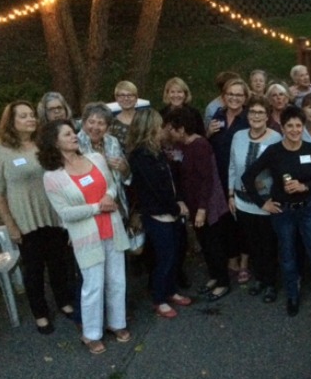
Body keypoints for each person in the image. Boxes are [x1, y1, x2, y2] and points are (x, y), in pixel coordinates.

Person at [38, 120, 130, 354]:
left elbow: (111, 186)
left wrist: (109, 196)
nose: (74, 136)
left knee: (117, 280)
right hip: (87, 236)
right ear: (54, 141)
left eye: (73, 132)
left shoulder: (95, 159)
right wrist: (97, 208)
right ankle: (91, 333)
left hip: (113, 228)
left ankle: (117, 322)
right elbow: (65, 212)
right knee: (93, 285)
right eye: (67, 134)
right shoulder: (52, 177)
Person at [0, 101, 75, 334]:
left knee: (58, 263)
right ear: (11, 122)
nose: (30, 119)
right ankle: (41, 313)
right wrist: (10, 225)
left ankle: (64, 301)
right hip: (25, 220)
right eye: (23, 116)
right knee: (34, 269)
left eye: (32, 115)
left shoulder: (43, 144)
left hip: (53, 214)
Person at [241, 106, 311, 317]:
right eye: (289, 125)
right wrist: (262, 203)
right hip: (283, 213)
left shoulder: (310, 149)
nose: (294, 130)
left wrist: (304, 187)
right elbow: (248, 177)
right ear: (282, 127)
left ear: (303, 127)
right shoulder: (274, 152)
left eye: (298, 125)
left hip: (308, 209)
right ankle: (292, 295)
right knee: (288, 256)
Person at [127, 109, 192, 318]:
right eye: (159, 125)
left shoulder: (158, 150)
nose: (163, 129)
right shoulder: (140, 156)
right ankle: (159, 299)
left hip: (171, 211)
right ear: (149, 128)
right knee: (164, 258)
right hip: (157, 214)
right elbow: (155, 188)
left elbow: (171, 181)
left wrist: (179, 200)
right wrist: (175, 207)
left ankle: (171, 290)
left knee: (174, 255)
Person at [164, 107, 232, 302]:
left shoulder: (200, 145)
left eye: (171, 128)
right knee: (205, 243)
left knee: (214, 243)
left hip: (208, 204)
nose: (169, 132)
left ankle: (223, 282)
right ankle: (214, 275)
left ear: (182, 129)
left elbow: (206, 180)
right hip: (193, 203)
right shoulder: (181, 146)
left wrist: (202, 210)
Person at [228, 96, 282, 303]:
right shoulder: (238, 136)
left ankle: (270, 283)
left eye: (260, 112)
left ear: (267, 116)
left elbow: (278, 171)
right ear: (247, 114)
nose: (256, 116)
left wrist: (265, 184)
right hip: (242, 202)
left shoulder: (275, 138)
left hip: (265, 202)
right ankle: (259, 279)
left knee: (268, 245)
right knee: (253, 244)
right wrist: (230, 193)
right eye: (252, 112)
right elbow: (232, 166)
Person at [207, 77, 251, 280]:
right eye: (230, 94)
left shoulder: (249, 118)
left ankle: (244, 261)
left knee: (242, 220)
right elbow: (210, 145)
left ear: (245, 97)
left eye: (238, 95)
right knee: (225, 218)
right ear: (224, 97)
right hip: (220, 176)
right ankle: (231, 257)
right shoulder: (218, 115)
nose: (234, 98)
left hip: (242, 177)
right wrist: (208, 133)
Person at [77, 102, 130, 219]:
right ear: (84, 122)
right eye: (91, 122)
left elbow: (126, 175)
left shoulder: (112, 141)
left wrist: (124, 169)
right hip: (91, 206)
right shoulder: (75, 144)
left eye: (101, 123)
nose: (95, 127)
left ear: (107, 127)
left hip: (116, 203)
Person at [109, 81, 140, 153]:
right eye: (122, 95)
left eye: (130, 95)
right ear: (116, 98)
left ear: (136, 98)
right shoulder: (112, 123)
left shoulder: (146, 119)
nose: (126, 98)